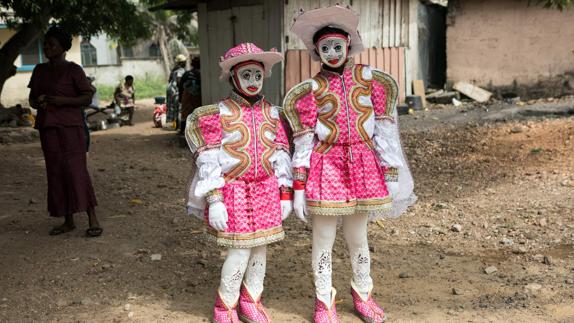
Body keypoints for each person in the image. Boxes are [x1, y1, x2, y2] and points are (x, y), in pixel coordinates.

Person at [283, 5, 416, 322]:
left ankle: (363, 292)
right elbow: (303, 142)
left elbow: (385, 130)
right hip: (326, 166)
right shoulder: (311, 90)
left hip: (364, 166)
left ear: (348, 45)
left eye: (337, 46)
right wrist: (298, 186)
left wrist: (392, 172)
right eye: (325, 47)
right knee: (323, 239)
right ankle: (323, 300)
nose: (332, 52)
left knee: (359, 237)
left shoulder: (370, 80)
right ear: (316, 51)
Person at [185, 43, 292, 323]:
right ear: (233, 77)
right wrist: (215, 199)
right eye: (246, 76)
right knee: (239, 250)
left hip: (267, 190)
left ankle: (251, 299)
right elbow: (208, 160)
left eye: (257, 76)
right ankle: (225, 304)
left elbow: (281, 155)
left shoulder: (273, 114)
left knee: (261, 248)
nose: (253, 82)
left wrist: (285, 193)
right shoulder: (217, 115)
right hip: (234, 192)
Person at [28, 26, 102, 237]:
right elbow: (32, 99)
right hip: (48, 128)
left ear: (63, 47)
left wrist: (62, 101)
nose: (47, 48)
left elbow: (87, 97)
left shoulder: (74, 70)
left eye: (52, 44)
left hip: (71, 128)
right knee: (56, 172)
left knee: (77, 170)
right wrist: (38, 102)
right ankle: (67, 220)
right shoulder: (39, 70)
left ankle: (92, 217)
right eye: (46, 44)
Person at [178, 56, 201, 137]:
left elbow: (180, 86)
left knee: (185, 113)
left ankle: (183, 131)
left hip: (186, 95)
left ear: (192, 65)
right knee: (196, 112)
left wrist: (180, 98)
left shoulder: (186, 73)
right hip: (196, 96)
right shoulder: (200, 74)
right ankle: (195, 131)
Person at [166, 54, 187, 129]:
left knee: (172, 107)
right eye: (185, 62)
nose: (186, 63)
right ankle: (178, 126)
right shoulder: (181, 70)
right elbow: (179, 81)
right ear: (181, 63)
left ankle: (174, 125)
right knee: (178, 108)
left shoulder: (174, 70)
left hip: (170, 89)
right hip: (176, 90)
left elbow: (169, 80)